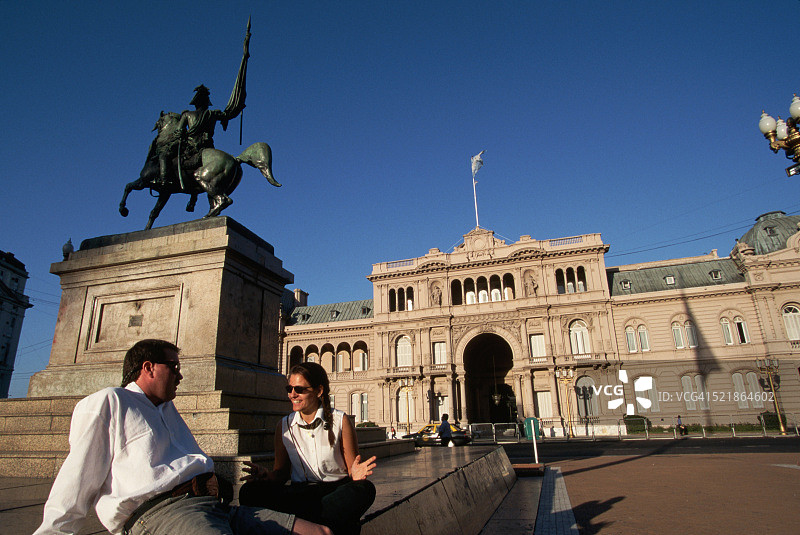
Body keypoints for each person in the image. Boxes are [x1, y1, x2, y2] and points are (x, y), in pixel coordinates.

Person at [34, 339, 330, 535]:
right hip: (163, 514)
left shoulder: (167, 409)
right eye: (173, 367)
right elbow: (78, 476)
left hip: (213, 507)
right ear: (148, 368)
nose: (180, 375)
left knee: (321, 533)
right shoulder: (110, 401)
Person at [240, 362, 377, 534]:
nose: (292, 394)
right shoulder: (284, 425)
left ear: (319, 391)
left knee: (364, 490)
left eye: (299, 389)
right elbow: (281, 473)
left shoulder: (340, 421)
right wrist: (266, 476)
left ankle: (299, 521)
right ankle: (316, 522)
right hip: (300, 493)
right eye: (289, 389)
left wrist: (356, 473)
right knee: (249, 492)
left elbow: (351, 469)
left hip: (333, 491)